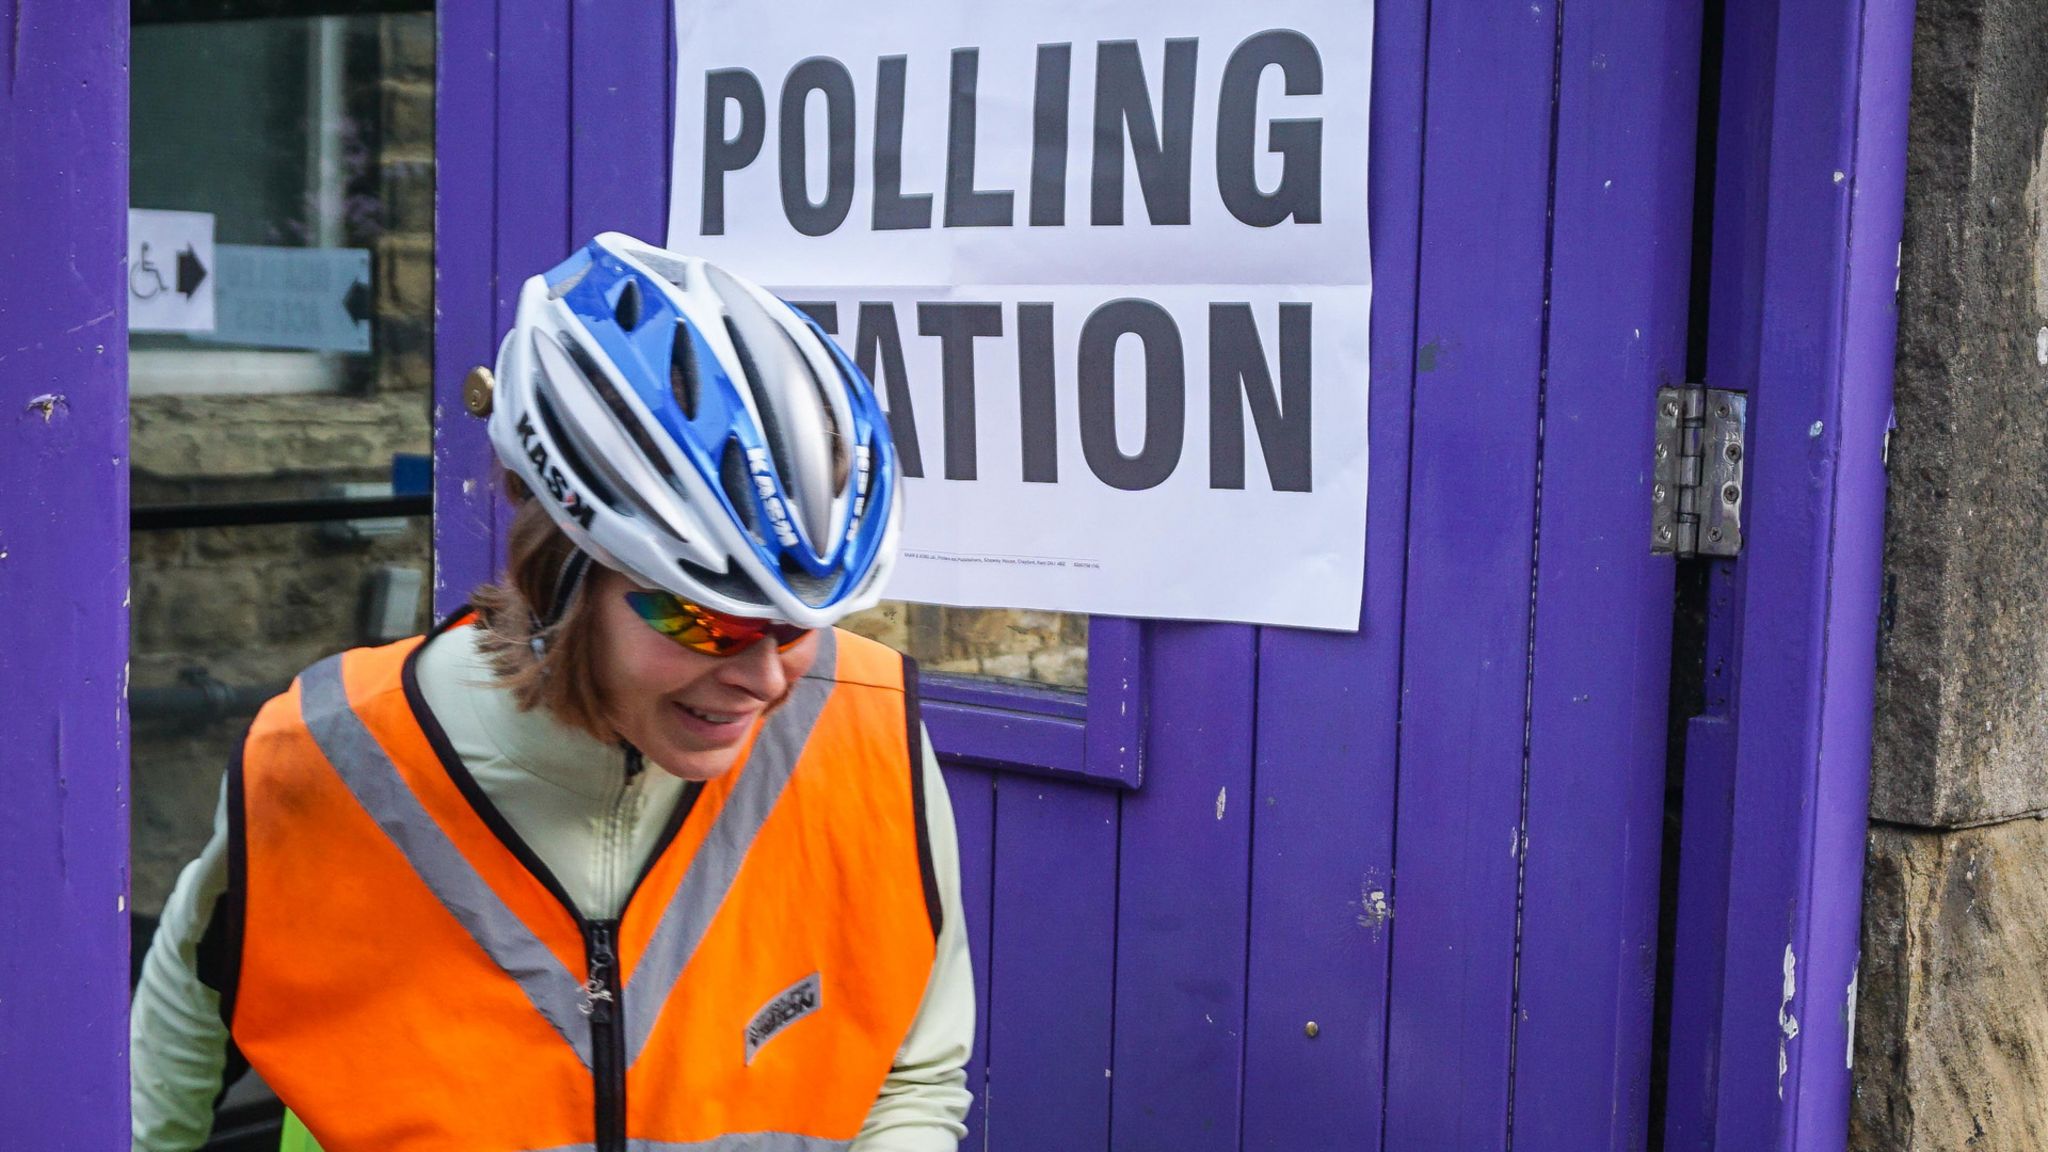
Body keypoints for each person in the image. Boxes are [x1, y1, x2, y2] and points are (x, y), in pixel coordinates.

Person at [131, 233, 974, 1151]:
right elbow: (167, 1056)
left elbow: (913, 1072)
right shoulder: (325, 755)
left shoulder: (869, 731)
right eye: (710, 624)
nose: (767, 678)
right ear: (559, 574)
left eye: (800, 625)